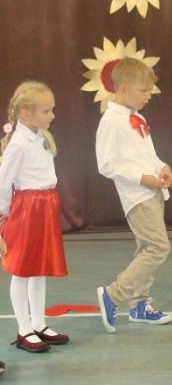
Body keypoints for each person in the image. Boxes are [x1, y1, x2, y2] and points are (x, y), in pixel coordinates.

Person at [95, 58, 172, 333]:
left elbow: (146, 155)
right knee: (158, 247)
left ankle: (139, 305)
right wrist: (142, 178)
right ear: (123, 89)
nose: (148, 95)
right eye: (144, 90)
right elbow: (106, 164)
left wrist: (161, 167)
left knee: (146, 248)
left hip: (152, 190)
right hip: (137, 195)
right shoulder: (111, 120)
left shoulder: (137, 117)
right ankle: (113, 294)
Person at [0, 81, 68, 353]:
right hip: (27, 210)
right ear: (25, 112)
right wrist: (3, 217)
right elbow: (3, 183)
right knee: (23, 270)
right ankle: (24, 328)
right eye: (46, 110)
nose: (52, 115)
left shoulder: (40, 136)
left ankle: (38, 323)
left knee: (39, 268)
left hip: (45, 206)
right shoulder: (18, 144)